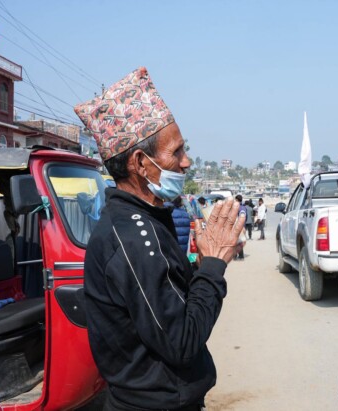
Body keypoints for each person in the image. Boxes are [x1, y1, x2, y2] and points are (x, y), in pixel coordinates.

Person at [75, 67, 244, 411]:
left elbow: (172, 301)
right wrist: (213, 267)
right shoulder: (135, 236)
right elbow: (182, 341)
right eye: (177, 152)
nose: (186, 162)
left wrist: (202, 262)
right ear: (141, 162)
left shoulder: (145, 219)